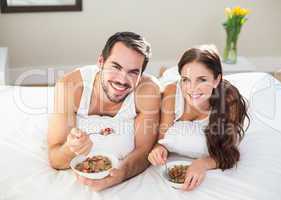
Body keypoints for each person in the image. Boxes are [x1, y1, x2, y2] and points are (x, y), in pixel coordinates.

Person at [48, 32, 161, 191]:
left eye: (133, 72)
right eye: (116, 67)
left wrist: (119, 175)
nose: (122, 80)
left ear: (141, 74)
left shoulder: (149, 90)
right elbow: (55, 159)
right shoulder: (69, 86)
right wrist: (71, 148)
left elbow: (144, 150)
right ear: (101, 62)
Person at [148, 45, 249, 191]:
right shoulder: (171, 93)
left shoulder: (229, 101)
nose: (192, 88)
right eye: (185, 79)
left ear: (216, 80)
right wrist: (159, 149)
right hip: (168, 85)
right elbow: (162, 139)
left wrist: (202, 164)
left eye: (202, 79)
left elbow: (229, 153)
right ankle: (166, 72)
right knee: (164, 79)